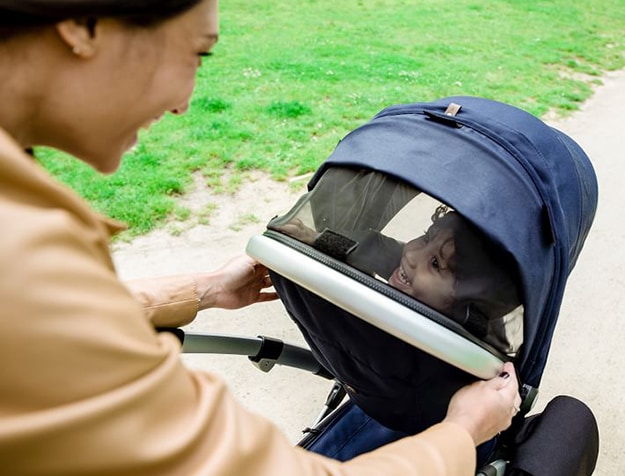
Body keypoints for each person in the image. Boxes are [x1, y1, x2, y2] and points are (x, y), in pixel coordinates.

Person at [0, 1, 522, 475]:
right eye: (198, 53)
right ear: (83, 25)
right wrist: (462, 432)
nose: (185, 102)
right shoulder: (27, 246)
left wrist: (202, 290)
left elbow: (43, 323)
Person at [272, 207, 521, 352]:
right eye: (425, 237)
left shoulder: (471, 344)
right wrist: (316, 239)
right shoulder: (417, 277)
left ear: (468, 299)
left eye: (436, 263)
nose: (412, 254)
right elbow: (376, 249)